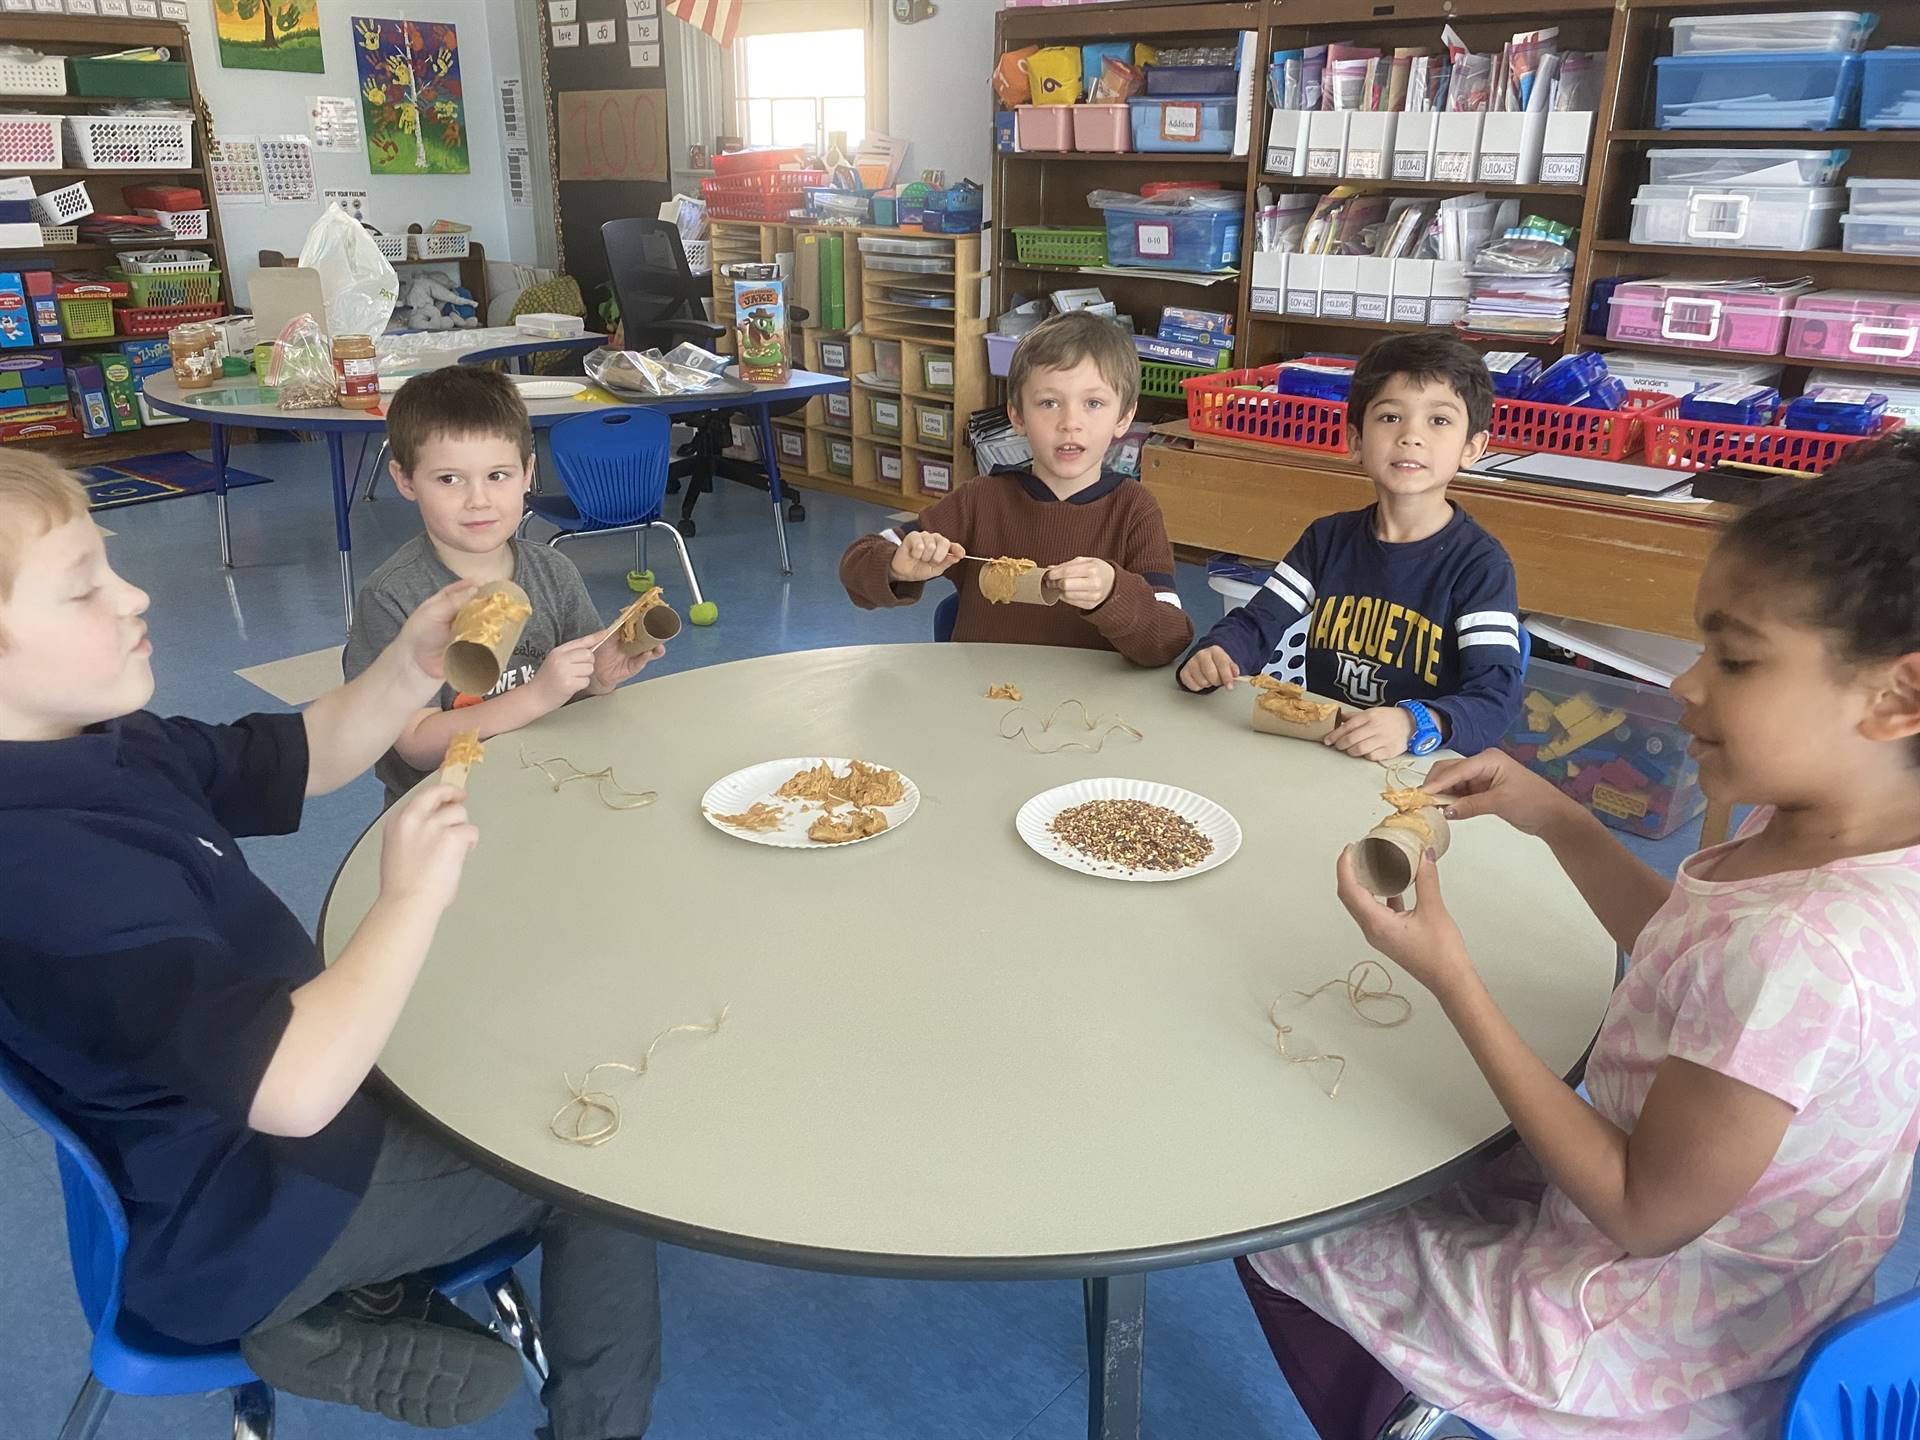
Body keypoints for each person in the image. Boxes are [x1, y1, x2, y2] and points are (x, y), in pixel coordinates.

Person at [1240, 436, 1920, 1439]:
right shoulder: (1834, 828)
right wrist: (1554, 813)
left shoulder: (1810, 951)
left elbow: (1642, 1210)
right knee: (1407, 1139)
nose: (1686, 686)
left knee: (1279, 1228)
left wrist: (1453, 977)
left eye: (1733, 657)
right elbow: (1688, 949)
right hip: (1737, 1269)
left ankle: (1394, 1412)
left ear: (1898, 697)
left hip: (1657, 1335)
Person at [0, 453, 663, 1439]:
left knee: (509, 1035)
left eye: (115, 563)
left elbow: (301, 754)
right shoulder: (50, 868)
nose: (135, 593)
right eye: (86, 586)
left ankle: (353, 1305)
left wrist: (409, 667)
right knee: (602, 1164)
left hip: (251, 1140)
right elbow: (291, 1087)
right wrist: (408, 898)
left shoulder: (98, 743)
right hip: (254, 1201)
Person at [1178, 334, 1522, 761]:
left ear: (1472, 448)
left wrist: (1415, 722)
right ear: (1356, 441)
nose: (1411, 436)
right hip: (1329, 749)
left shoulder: (1481, 566)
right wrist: (1218, 652)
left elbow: (1496, 697)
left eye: (1438, 421)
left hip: (1422, 762)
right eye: (1391, 417)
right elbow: (1257, 622)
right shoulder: (1327, 539)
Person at [343, 366, 661, 805]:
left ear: (528, 473)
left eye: (498, 476)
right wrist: (536, 695)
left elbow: (573, 700)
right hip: (440, 811)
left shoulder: (554, 573)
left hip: (546, 788)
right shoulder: (394, 598)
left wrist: (598, 677)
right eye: (449, 479)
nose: (478, 499)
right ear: (405, 481)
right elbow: (416, 745)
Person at [839, 310, 1192, 667]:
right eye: (1048, 403)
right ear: (1017, 416)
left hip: (1088, 715)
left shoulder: (1135, 511)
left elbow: (1169, 638)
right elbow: (857, 565)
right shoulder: (980, 500)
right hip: (983, 699)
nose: (1070, 423)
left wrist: (1113, 594)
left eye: (1093, 403)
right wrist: (895, 567)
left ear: (1124, 418)